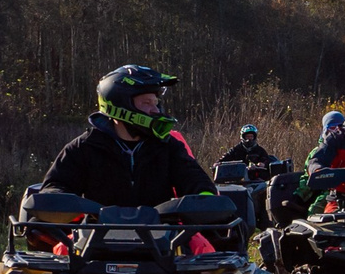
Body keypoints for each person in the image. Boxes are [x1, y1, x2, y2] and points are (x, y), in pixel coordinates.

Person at [41, 64, 217, 207]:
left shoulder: (168, 146)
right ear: (120, 105)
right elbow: (56, 186)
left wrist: (206, 200)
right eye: (147, 103)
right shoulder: (84, 147)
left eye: (156, 103)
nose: (155, 110)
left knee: (204, 247)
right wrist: (58, 200)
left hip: (162, 241)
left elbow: (194, 179)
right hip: (95, 242)